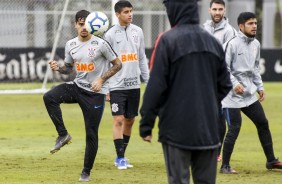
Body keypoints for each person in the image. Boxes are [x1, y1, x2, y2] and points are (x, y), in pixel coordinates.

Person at [139, 0, 232, 184]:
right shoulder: (212, 42)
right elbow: (225, 84)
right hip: (209, 129)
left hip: (176, 130)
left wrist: (146, 124)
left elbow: (156, 86)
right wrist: (207, 103)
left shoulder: (168, 40)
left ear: (175, 10)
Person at [43, 10, 122, 182]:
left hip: (95, 94)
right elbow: (69, 69)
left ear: (93, 25)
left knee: (91, 133)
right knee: (49, 97)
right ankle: (63, 134)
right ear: (75, 25)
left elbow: (118, 64)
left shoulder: (101, 44)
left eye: (86, 23)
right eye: (80, 23)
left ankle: (86, 171)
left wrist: (101, 80)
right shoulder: (71, 44)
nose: (83, 27)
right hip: (77, 87)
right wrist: (59, 68)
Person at [220, 12, 282, 174]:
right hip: (230, 96)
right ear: (241, 26)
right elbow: (223, 69)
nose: (254, 26)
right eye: (250, 23)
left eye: (255, 23)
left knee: (263, 123)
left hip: (248, 95)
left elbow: (255, 68)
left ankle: (271, 161)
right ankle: (225, 165)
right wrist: (234, 84)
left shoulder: (256, 45)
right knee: (234, 127)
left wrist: (260, 87)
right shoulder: (231, 44)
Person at [104, 0, 149, 170]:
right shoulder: (110, 35)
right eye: (125, 12)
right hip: (116, 85)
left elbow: (141, 57)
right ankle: (121, 157)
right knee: (118, 119)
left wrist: (148, 80)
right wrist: (106, 88)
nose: (130, 14)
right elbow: (107, 63)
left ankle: (120, 155)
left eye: (131, 11)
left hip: (133, 84)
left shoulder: (138, 31)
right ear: (117, 15)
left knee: (130, 120)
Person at [203, 0, 237, 162]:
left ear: (224, 11)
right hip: (204, 79)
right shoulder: (205, 28)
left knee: (219, 117)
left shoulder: (230, 31)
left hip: (219, 81)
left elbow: (227, 58)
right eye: (214, 9)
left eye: (220, 9)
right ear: (209, 10)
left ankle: (217, 151)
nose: (217, 12)